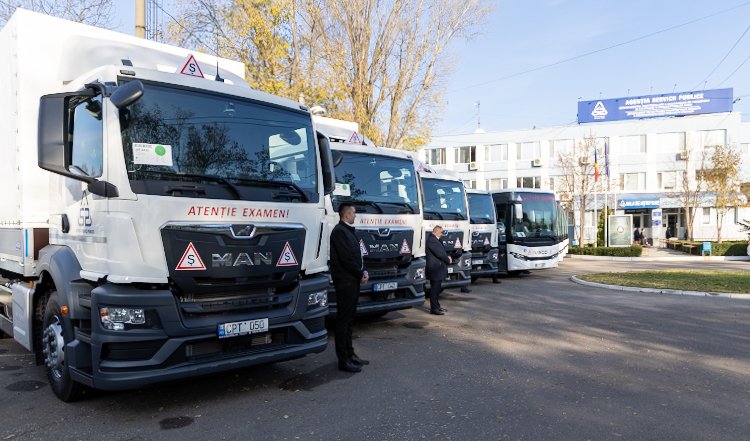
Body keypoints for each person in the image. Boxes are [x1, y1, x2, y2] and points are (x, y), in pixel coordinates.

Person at [330, 202, 369, 373]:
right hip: (345, 282)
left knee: (350, 320)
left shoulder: (348, 231)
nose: (355, 216)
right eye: (353, 213)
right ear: (346, 215)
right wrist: (360, 273)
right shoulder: (339, 232)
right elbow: (347, 259)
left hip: (352, 280)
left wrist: (363, 271)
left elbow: (356, 256)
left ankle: (351, 354)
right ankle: (343, 360)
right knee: (343, 320)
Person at [425, 225, 451, 315]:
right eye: (441, 232)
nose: (442, 234)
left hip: (438, 269)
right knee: (435, 289)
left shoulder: (436, 239)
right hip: (435, 269)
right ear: (436, 231)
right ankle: (434, 309)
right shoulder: (432, 240)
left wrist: (448, 256)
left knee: (437, 288)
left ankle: (437, 306)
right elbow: (440, 253)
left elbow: (443, 251)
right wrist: (448, 259)